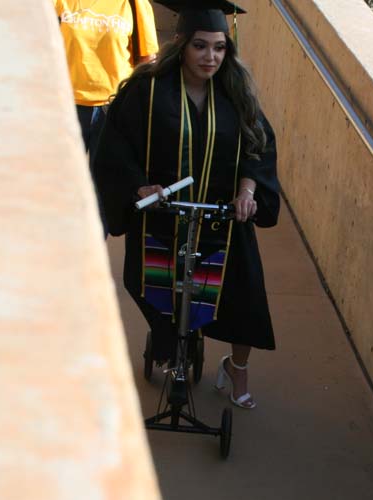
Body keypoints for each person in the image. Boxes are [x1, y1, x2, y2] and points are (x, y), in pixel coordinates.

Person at [91, 0, 279, 410]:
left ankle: (236, 366)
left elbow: (258, 147)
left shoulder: (236, 93)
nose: (210, 56)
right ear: (181, 45)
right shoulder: (146, 90)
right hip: (162, 217)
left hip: (222, 220)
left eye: (218, 47)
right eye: (200, 46)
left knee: (245, 295)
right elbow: (114, 149)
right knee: (154, 287)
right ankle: (165, 336)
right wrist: (139, 188)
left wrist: (248, 192)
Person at [55, 0, 160, 151]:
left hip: (113, 108)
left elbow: (147, 61)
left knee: (106, 173)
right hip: (66, 107)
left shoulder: (135, 4)